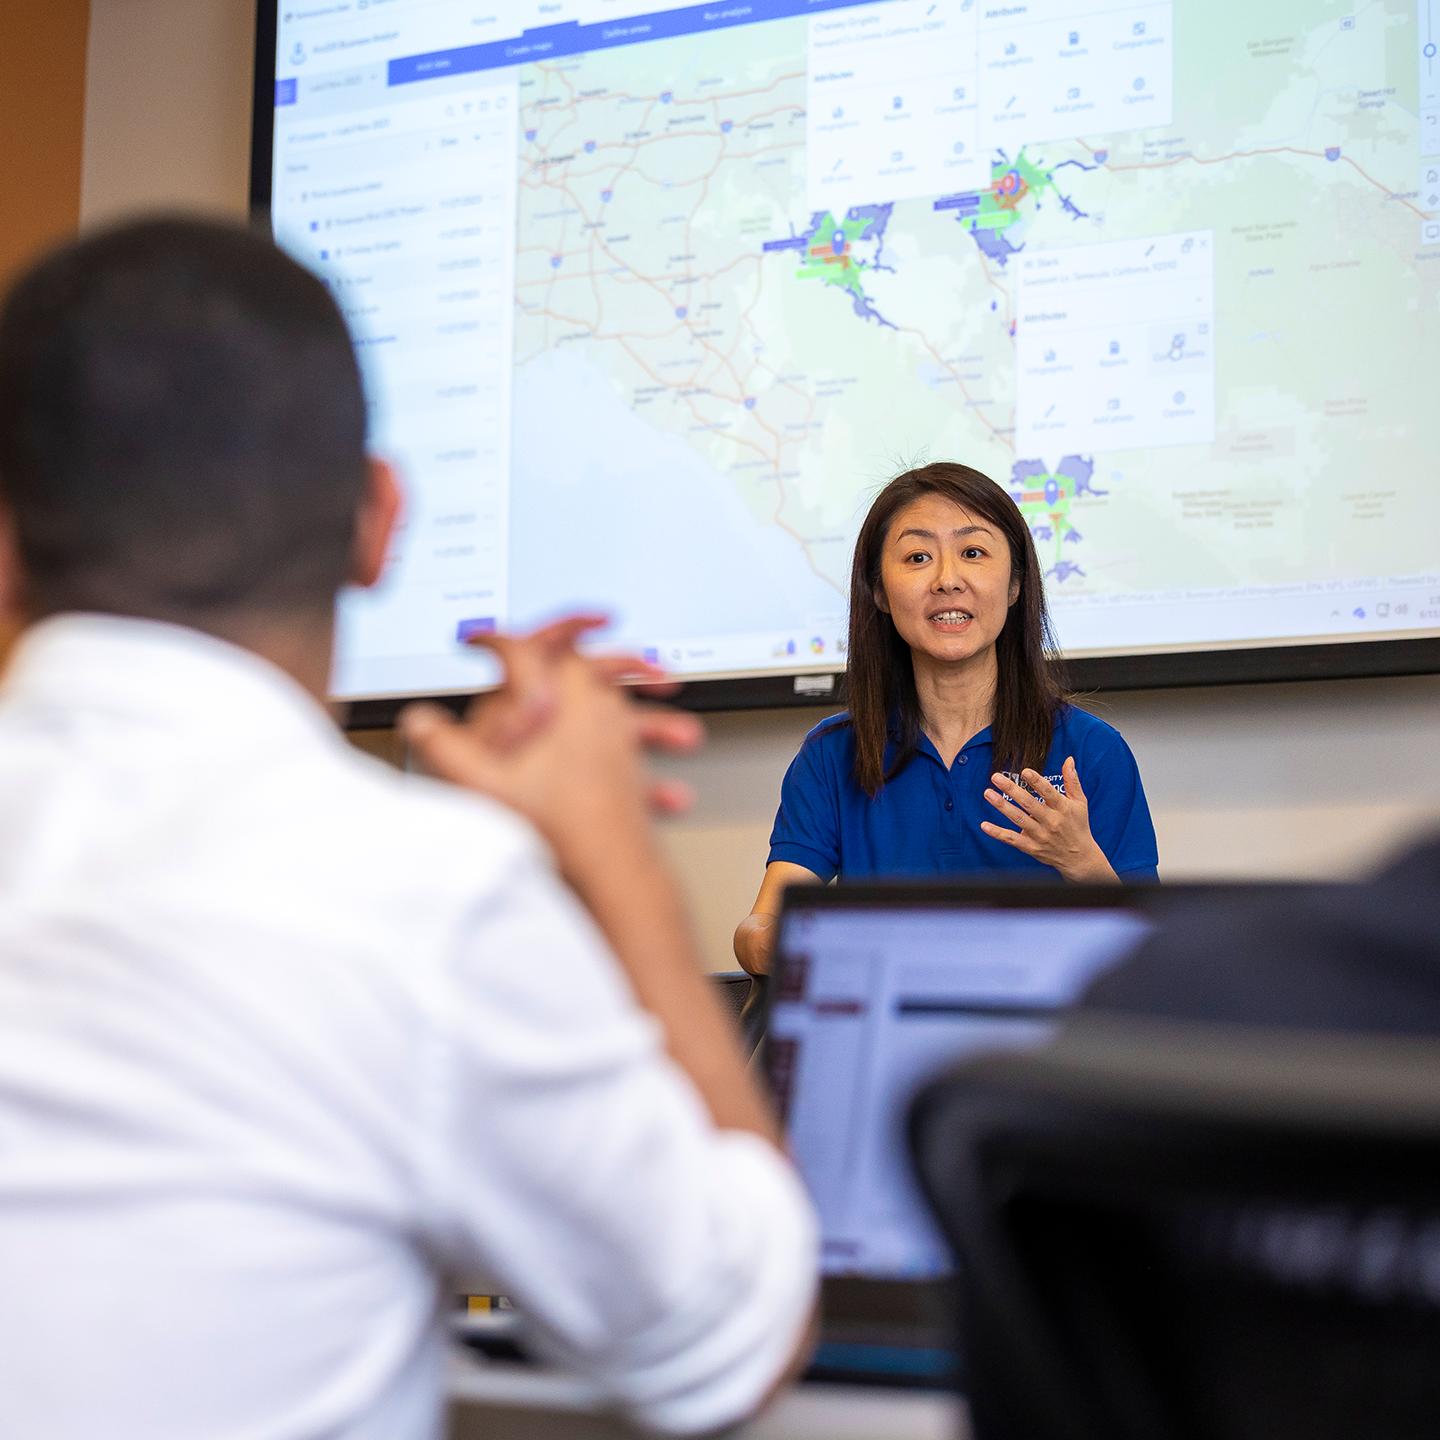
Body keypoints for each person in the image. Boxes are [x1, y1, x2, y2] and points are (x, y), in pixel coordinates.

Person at [0, 216, 816, 1439]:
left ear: (7, 538)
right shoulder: (421, 894)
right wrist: (611, 864)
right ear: (380, 521)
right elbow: (732, 1343)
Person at [735, 462, 1158, 975]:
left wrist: (1080, 862)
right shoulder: (832, 753)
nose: (947, 580)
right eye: (917, 557)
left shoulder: (1090, 749)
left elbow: (1150, 953)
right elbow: (760, 928)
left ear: (1015, 585)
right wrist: (802, 947)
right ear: (879, 592)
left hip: (1043, 1044)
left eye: (973, 553)